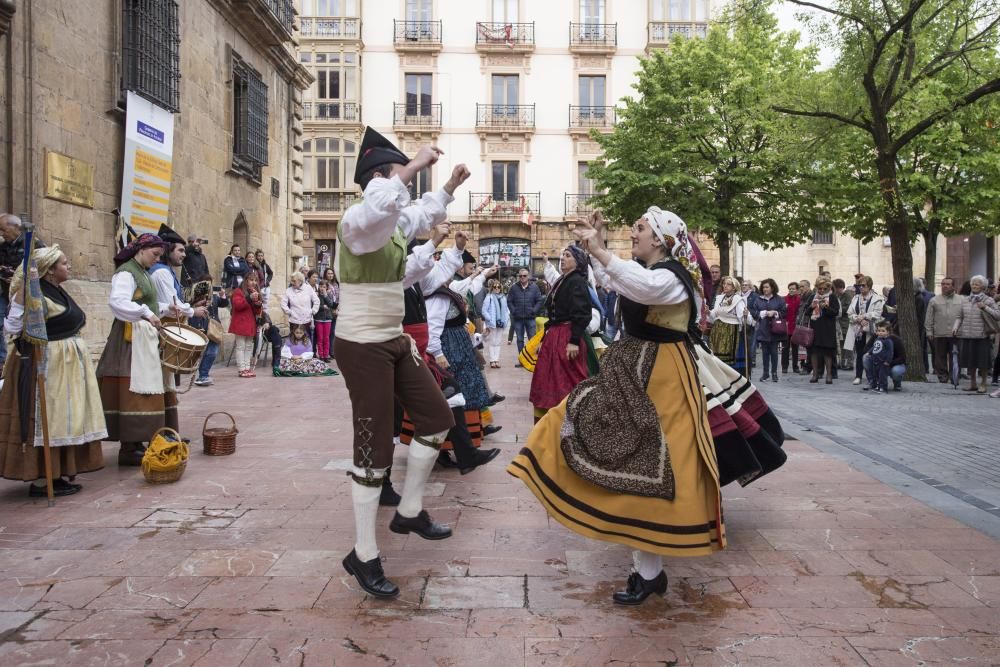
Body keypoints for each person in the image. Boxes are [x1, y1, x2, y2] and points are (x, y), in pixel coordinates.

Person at [510, 208, 729, 606]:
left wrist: (598, 248)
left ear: (661, 240)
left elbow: (642, 286)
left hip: (664, 378)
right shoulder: (654, 273)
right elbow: (619, 279)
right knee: (583, 425)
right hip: (634, 368)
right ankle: (647, 571)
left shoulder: (674, 279)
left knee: (651, 467)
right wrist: (599, 245)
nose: (635, 232)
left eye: (641, 228)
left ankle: (648, 573)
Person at [334, 127, 469, 599]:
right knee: (372, 445)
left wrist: (448, 187)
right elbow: (381, 210)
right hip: (361, 343)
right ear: (380, 177)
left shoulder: (388, 224)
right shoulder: (356, 220)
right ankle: (364, 553)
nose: (405, 186)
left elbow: (416, 218)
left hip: (391, 339)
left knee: (435, 416)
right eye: (397, 177)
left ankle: (409, 511)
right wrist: (411, 165)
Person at [0, 246, 107, 496]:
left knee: (67, 417)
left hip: (66, 364)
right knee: (48, 417)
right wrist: (26, 305)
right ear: (49, 271)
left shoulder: (57, 291)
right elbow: (13, 326)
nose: (69, 266)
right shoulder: (29, 294)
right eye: (64, 263)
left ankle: (57, 473)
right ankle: (41, 478)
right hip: (44, 364)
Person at [96, 234, 174, 466]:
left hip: (142, 338)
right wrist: (146, 313)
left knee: (145, 387)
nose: (156, 259)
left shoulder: (143, 273)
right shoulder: (126, 272)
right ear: (141, 249)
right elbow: (118, 302)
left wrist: (165, 308)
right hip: (129, 341)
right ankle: (128, 447)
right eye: (155, 254)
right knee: (133, 388)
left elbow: (148, 304)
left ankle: (138, 441)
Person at [426, 252, 496, 422]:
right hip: (449, 345)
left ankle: (474, 429)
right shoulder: (438, 294)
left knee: (469, 385)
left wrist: (483, 273)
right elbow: (433, 325)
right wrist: (438, 353)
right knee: (457, 388)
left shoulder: (448, 289)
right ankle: (457, 434)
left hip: (458, 343)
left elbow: (468, 285)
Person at [529, 246, 596, 422]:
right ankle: (550, 423)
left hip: (567, 336)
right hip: (555, 336)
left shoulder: (577, 281)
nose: (563, 258)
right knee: (549, 378)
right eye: (562, 255)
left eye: (567, 255)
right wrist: (543, 339)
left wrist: (574, 340)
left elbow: (582, 313)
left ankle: (574, 422)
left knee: (569, 380)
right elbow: (554, 316)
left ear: (578, 261)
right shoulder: (564, 280)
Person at [952, 275, 1000, 394]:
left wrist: (985, 308)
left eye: (977, 284)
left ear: (983, 287)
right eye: (973, 284)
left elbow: (997, 315)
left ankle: (983, 383)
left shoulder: (988, 300)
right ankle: (972, 383)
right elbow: (959, 316)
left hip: (982, 335)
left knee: (982, 362)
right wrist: (955, 327)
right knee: (970, 361)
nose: (974, 286)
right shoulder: (965, 300)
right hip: (967, 335)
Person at [847, 274, 885, 386]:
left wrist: (865, 317)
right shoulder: (855, 298)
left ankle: (873, 376)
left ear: (869, 286)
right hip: (858, 330)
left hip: (871, 330)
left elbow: (878, 313)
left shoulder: (878, 298)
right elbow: (850, 313)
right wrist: (858, 318)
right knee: (859, 353)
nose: (861, 288)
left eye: (863, 285)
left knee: (872, 353)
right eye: (859, 285)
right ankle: (858, 375)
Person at [925, 277, 964, 383]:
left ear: (953, 286)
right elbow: (929, 318)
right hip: (939, 333)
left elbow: (964, 316)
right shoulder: (934, 300)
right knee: (939, 356)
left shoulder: (961, 300)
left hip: (956, 333)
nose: (944, 286)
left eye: (947, 284)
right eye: (943, 284)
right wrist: (929, 331)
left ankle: (954, 375)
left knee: (955, 356)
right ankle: (942, 376)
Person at [708, 276, 751, 371]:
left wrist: (746, 316)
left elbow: (746, 320)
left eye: (728, 284)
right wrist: (707, 312)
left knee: (730, 359)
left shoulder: (738, 300)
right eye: (724, 284)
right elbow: (713, 316)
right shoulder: (720, 298)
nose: (725, 286)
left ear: (734, 287)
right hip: (718, 332)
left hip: (731, 332)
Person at [191, 283, 228, 387]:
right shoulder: (194, 297)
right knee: (197, 353)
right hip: (200, 326)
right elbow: (188, 308)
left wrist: (222, 295)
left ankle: (203, 375)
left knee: (212, 352)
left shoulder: (215, 297)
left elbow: (225, 303)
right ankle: (200, 374)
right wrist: (198, 303)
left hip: (213, 328)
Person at [750, 278, 786, 383]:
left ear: (772, 288)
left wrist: (775, 313)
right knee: (765, 352)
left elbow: (784, 312)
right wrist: (763, 313)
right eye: (764, 287)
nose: (765, 289)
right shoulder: (758, 299)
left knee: (774, 352)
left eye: (767, 287)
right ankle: (765, 373)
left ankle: (774, 373)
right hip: (763, 328)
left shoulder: (779, 299)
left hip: (776, 329)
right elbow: (753, 311)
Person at [807, 276, 841, 384]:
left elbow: (835, 312)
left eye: (824, 289)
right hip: (815, 326)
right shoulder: (813, 296)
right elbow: (806, 312)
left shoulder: (832, 297)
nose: (821, 291)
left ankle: (829, 374)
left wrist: (826, 307)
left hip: (827, 327)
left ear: (828, 288)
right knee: (814, 352)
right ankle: (815, 374)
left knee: (827, 352)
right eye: (819, 288)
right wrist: (812, 307)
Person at [229, 271, 263, 378]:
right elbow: (237, 305)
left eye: (255, 280)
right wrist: (249, 298)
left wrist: (258, 305)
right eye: (251, 280)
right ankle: (241, 369)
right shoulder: (238, 291)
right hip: (241, 322)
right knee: (240, 346)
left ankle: (247, 368)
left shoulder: (255, 292)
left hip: (250, 323)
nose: (253, 282)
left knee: (249, 347)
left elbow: (257, 312)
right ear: (246, 280)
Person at [507, 266, 543, 356]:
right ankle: (522, 359)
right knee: (519, 339)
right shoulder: (514, 288)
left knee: (532, 339)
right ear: (518, 276)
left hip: (530, 318)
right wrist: (513, 311)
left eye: (524, 275)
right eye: (521, 276)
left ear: (528, 277)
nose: (522, 277)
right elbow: (509, 301)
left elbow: (539, 300)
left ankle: (531, 359)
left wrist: (534, 310)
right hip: (518, 318)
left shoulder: (534, 287)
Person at [281, 272, 319, 339]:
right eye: (291, 281)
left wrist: (313, 311)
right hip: (294, 320)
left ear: (300, 280)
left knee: (306, 341)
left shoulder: (308, 288)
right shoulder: (289, 290)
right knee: (294, 341)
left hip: (306, 320)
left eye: (294, 281)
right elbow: (283, 303)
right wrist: (290, 312)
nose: (292, 283)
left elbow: (316, 301)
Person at [482, 278, 509, 368]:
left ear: (501, 288)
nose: (497, 288)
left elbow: (506, 310)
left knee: (498, 342)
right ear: (492, 287)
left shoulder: (503, 297)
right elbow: (484, 310)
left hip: (501, 322)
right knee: (492, 342)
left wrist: (507, 317)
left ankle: (496, 360)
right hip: (492, 323)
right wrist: (489, 319)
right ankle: (492, 360)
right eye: (495, 286)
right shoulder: (489, 297)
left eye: (498, 287)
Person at [862, 321, 895, 393]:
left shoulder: (888, 341)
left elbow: (890, 352)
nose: (880, 333)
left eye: (883, 331)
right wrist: (869, 352)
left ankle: (883, 388)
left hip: (883, 362)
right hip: (875, 360)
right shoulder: (877, 339)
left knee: (882, 375)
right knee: (876, 374)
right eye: (879, 331)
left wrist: (887, 361)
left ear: (888, 332)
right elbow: (874, 347)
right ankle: (878, 386)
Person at [833, 279, 853, 371]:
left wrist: (838, 309)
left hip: (845, 323)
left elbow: (847, 308)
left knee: (847, 344)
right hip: (839, 324)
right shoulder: (836, 295)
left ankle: (849, 363)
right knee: (841, 344)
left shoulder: (847, 295)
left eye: (836, 288)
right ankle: (842, 362)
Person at [796, 279, 815, 375]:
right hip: (802, 324)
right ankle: (804, 365)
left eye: (802, 286)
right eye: (800, 287)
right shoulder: (802, 297)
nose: (801, 288)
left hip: (808, 324)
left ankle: (808, 367)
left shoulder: (811, 296)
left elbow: (808, 310)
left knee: (808, 347)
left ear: (808, 286)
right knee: (803, 347)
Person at [782, 282, 801, 374]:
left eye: (793, 289)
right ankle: (784, 366)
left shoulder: (799, 299)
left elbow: (800, 312)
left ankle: (795, 366)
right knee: (785, 348)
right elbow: (781, 312)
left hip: (795, 327)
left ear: (797, 290)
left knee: (795, 348)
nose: (791, 290)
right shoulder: (784, 299)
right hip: (786, 327)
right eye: (790, 289)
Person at [314, 281, 335, 362]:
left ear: (326, 288)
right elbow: (315, 306)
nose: (322, 288)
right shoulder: (316, 295)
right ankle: (321, 355)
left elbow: (331, 304)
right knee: (320, 338)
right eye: (321, 286)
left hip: (327, 319)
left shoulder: (329, 295)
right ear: (319, 287)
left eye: (324, 287)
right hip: (319, 319)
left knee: (326, 338)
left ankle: (326, 355)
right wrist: (322, 307)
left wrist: (326, 295)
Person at [322, 267, 340, 357]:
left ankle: (332, 351)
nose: (330, 275)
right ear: (325, 274)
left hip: (336, 310)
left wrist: (337, 309)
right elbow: (324, 298)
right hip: (327, 311)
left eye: (332, 273)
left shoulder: (336, 284)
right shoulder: (324, 284)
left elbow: (338, 297)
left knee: (333, 332)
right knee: (327, 333)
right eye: (329, 273)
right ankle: (327, 352)